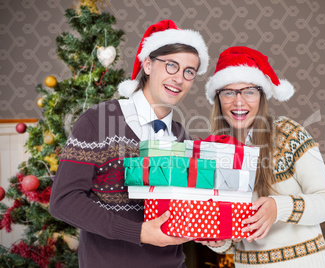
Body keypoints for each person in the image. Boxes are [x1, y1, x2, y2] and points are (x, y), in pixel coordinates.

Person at [50, 20, 209, 268]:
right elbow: (64, 201)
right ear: (147, 64)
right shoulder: (97, 121)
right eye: (171, 66)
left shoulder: (181, 137)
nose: (179, 78)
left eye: (189, 71)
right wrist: (138, 232)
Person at [198, 46, 325, 267]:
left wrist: (278, 208)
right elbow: (233, 243)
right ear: (218, 99)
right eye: (228, 92)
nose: (238, 101)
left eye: (249, 91)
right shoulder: (216, 152)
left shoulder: (288, 134)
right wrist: (216, 242)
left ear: (262, 96)